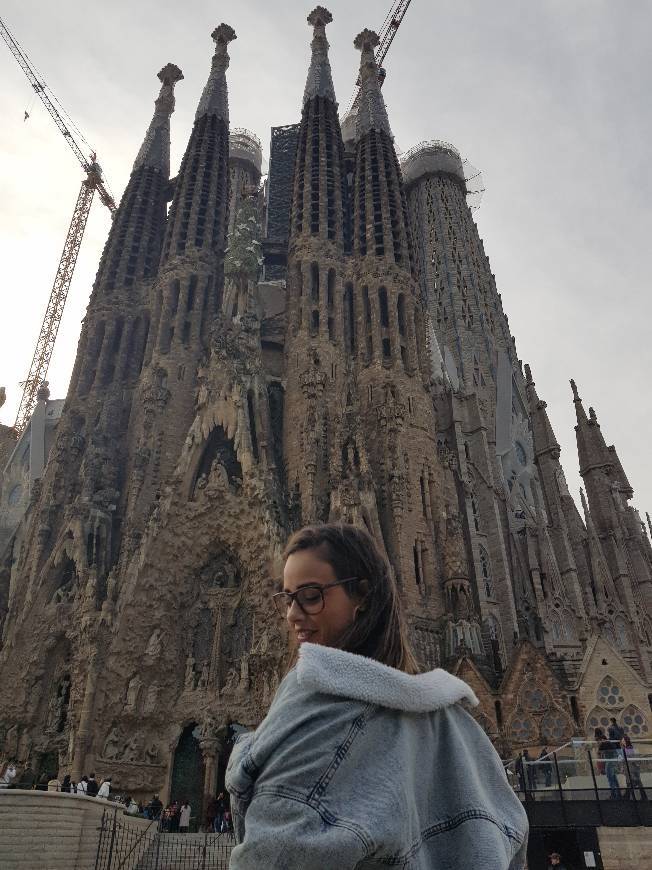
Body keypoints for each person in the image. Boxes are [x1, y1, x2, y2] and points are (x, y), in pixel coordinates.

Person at [225, 523, 529, 868]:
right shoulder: (461, 729)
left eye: (310, 596)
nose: (293, 614)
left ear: (363, 597)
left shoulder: (315, 727)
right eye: (286, 597)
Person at [596, 727, 621, 799]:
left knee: (610, 779)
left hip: (609, 762)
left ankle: (613, 795)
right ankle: (618, 794)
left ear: (601, 740)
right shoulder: (610, 742)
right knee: (614, 778)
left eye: (599, 741)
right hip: (614, 761)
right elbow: (615, 751)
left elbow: (598, 754)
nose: (598, 742)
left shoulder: (602, 744)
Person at [622, 734, 647, 801]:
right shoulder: (628, 748)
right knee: (636, 782)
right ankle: (643, 796)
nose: (622, 741)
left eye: (623, 740)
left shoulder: (628, 749)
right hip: (632, 768)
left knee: (633, 782)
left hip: (631, 769)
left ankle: (627, 796)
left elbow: (632, 759)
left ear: (625, 741)